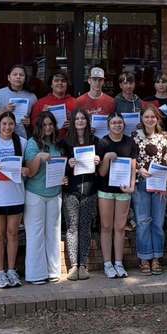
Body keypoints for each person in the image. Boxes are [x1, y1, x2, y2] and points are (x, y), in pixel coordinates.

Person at [0, 112, 28, 289]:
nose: (7, 127)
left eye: (10, 124)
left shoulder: (23, 143)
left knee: (13, 234)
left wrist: (25, 170)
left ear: (14, 125)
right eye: (4, 124)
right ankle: (0, 272)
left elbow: (28, 167)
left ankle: (11, 270)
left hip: (16, 195)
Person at [23, 111, 65, 284]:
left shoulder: (57, 144)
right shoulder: (32, 144)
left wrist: (64, 178)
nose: (48, 128)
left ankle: (53, 271)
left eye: (50, 124)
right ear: (39, 126)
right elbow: (30, 172)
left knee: (53, 233)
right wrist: (39, 158)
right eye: (44, 125)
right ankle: (35, 274)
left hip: (55, 193)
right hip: (35, 193)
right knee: (35, 234)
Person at [132, 105, 167, 274]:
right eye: (146, 117)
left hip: (159, 186)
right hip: (141, 184)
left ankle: (156, 258)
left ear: (157, 119)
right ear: (142, 119)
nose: (150, 120)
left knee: (157, 222)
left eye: (153, 117)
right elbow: (131, 158)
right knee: (143, 222)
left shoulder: (165, 137)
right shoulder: (135, 136)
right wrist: (138, 169)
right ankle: (144, 258)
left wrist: (165, 184)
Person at [61, 109, 101, 280]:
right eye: (76, 118)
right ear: (72, 121)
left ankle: (83, 265)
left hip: (90, 190)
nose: (80, 121)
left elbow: (102, 169)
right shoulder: (64, 143)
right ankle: (73, 266)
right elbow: (58, 169)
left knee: (85, 228)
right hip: (71, 190)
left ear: (87, 121)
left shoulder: (96, 141)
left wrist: (98, 161)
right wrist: (67, 164)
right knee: (71, 228)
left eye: (83, 118)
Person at [96, 112, 137, 278]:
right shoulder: (103, 142)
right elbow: (101, 172)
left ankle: (118, 262)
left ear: (124, 125)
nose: (117, 125)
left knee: (120, 228)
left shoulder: (129, 142)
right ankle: (107, 263)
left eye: (120, 122)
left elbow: (133, 165)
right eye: (114, 123)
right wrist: (106, 158)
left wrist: (132, 185)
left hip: (123, 190)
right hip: (106, 190)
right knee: (106, 227)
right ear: (108, 125)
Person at [0, 64, 37, 138]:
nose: (18, 77)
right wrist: (2, 112)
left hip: (23, 138)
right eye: (15, 74)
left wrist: (29, 122)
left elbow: (36, 119)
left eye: (21, 75)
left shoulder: (32, 97)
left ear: (25, 78)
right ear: (9, 77)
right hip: (0, 138)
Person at [30, 71, 78, 136]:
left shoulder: (75, 102)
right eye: (56, 80)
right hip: (48, 141)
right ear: (51, 85)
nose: (60, 83)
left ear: (67, 84)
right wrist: (42, 116)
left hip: (69, 141)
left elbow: (82, 123)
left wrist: (72, 125)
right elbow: (33, 124)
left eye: (63, 81)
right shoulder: (40, 103)